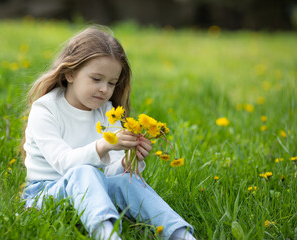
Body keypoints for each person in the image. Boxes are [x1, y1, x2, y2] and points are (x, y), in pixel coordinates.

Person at [21, 26, 195, 240]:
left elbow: (112, 171)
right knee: (83, 172)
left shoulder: (107, 112)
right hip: (44, 196)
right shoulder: (46, 109)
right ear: (70, 73)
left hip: (93, 191)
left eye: (112, 83)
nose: (104, 89)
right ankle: (107, 234)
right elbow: (64, 163)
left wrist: (128, 163)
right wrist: (104, 145)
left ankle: (180, 234)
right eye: (96, 79)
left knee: (127, 182)